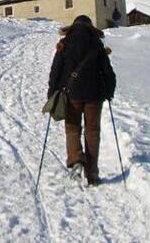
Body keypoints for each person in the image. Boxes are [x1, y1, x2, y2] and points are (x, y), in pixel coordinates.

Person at [47, 15, 116, 186]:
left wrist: (52, 92)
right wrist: (109, 91)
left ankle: (76, 158)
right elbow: (108, 72)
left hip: (71, 94)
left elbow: (55, 70)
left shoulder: (65, 43)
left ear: (73, 26)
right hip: (95, 95)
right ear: (90, 27)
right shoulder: (97, 44)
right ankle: (92, 174)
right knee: (93, 132)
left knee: (72, 128)